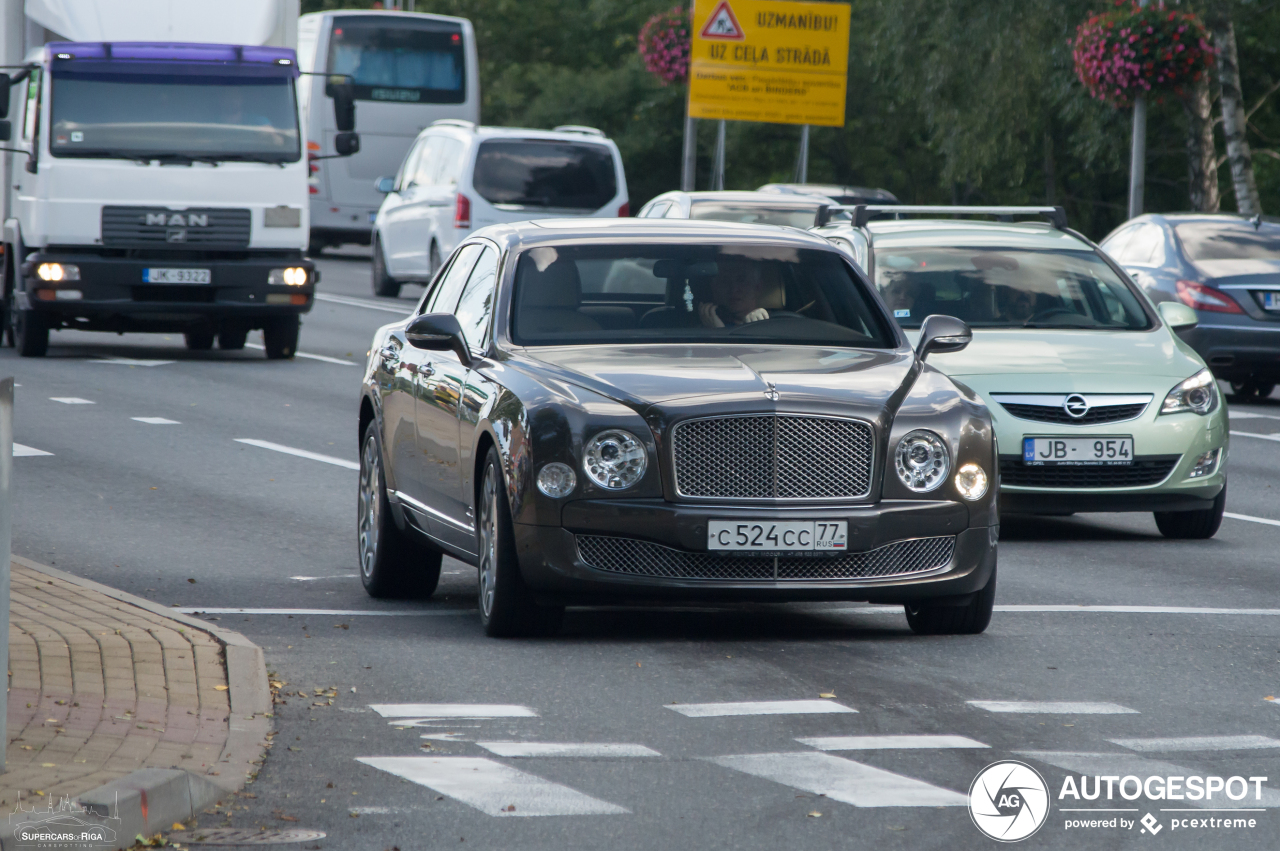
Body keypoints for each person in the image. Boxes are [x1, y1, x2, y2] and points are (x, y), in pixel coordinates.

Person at [698, 258, 775, 327]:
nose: (733, 289)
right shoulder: (697, 331)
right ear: (715, 288)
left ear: (757, 287)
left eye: (741, 280)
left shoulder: (772, 325)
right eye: (725, 281)